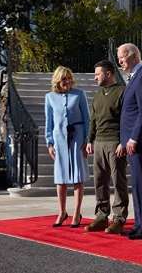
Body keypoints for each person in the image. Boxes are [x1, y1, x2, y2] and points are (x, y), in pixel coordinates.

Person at [117, 43, 142, 240]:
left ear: (133, 56)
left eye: (122, 57)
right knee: (137, 184)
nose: (119, 61)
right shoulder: (135, 77)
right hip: (132, 142)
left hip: (139, 142)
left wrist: (133, 137)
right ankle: (140, 224)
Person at [85, 60, 129, 234]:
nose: (95, 78)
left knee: (118, 181)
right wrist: (90, 140)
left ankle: (119, 218)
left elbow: (126, 120)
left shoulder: (122, 92)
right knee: (99, 181)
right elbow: (93, 120)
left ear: (109, 74)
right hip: (99, 143)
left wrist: (123, 142)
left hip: (115, 142)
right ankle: (102, 216)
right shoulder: (97, 95)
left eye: (98, 74)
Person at [45, 66, 90, 228]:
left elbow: (87, 119)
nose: (68, 81)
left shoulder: (79, 94)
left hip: (77, 137)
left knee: (77, 176)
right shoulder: (49, 97)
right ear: (58, 80)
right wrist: (49, 142)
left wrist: (87, 140)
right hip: (59, 139)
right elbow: (48, 122)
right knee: (61, 178)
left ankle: (77, 213)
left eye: (69, 78)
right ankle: (62, 212)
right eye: (64, 79)